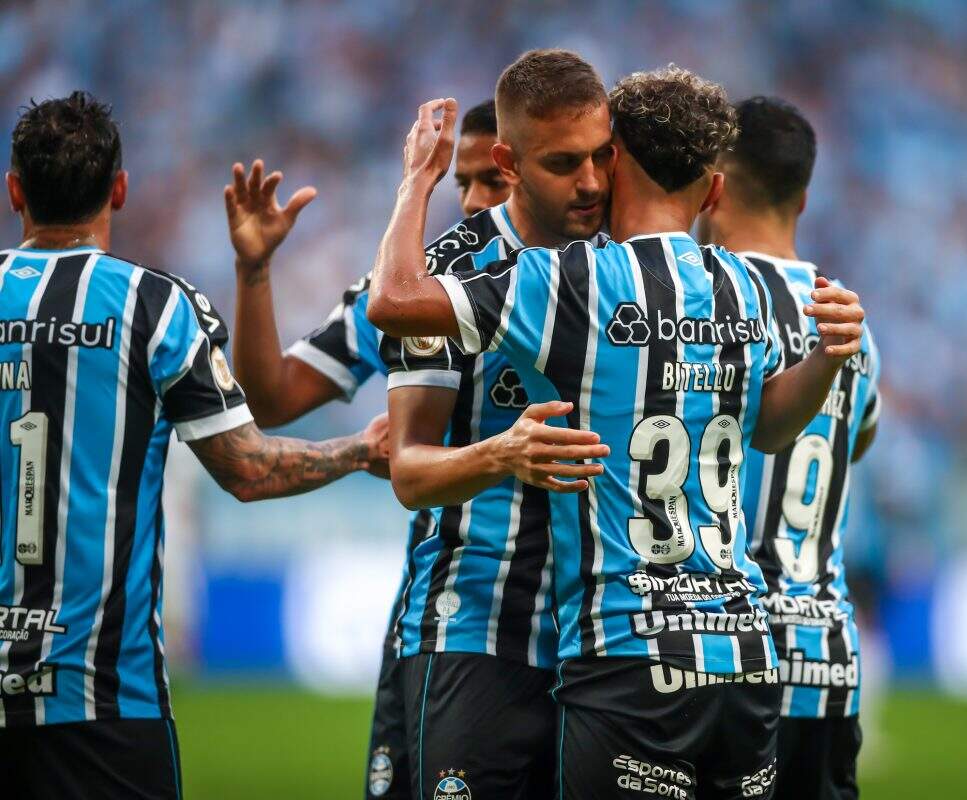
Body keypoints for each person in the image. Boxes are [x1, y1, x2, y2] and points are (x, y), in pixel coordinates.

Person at [367, 66, 866, 799]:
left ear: (619, 158)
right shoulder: (744, 283)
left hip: (623, 647)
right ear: (714, 190)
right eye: (568, 162)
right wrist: (826, 355)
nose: (590, 182)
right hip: (715, 648)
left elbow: (394, 300)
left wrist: (417, 178)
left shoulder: (571, 280)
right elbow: (766, 429)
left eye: (599, 158)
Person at [226, 50, 613, 800]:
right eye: (459, 180)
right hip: (462, 621)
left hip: (591, 635)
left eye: (486, 181)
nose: (469, 198)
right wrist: (253, 274)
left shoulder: (614, 266)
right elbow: (270, 397)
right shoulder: (422, 288)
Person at [0, 92, 387, 799]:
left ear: (14, 190)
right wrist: (359, 450)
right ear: (119, 190)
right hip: (107, 701)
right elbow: (249, 469)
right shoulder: (156, 307)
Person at [698, 95, 882, 800]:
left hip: (722, 654)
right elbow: (858, 439)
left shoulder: (702, 301)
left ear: (711, 185)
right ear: (802, 199)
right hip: (826, 657)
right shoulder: (851, 321)